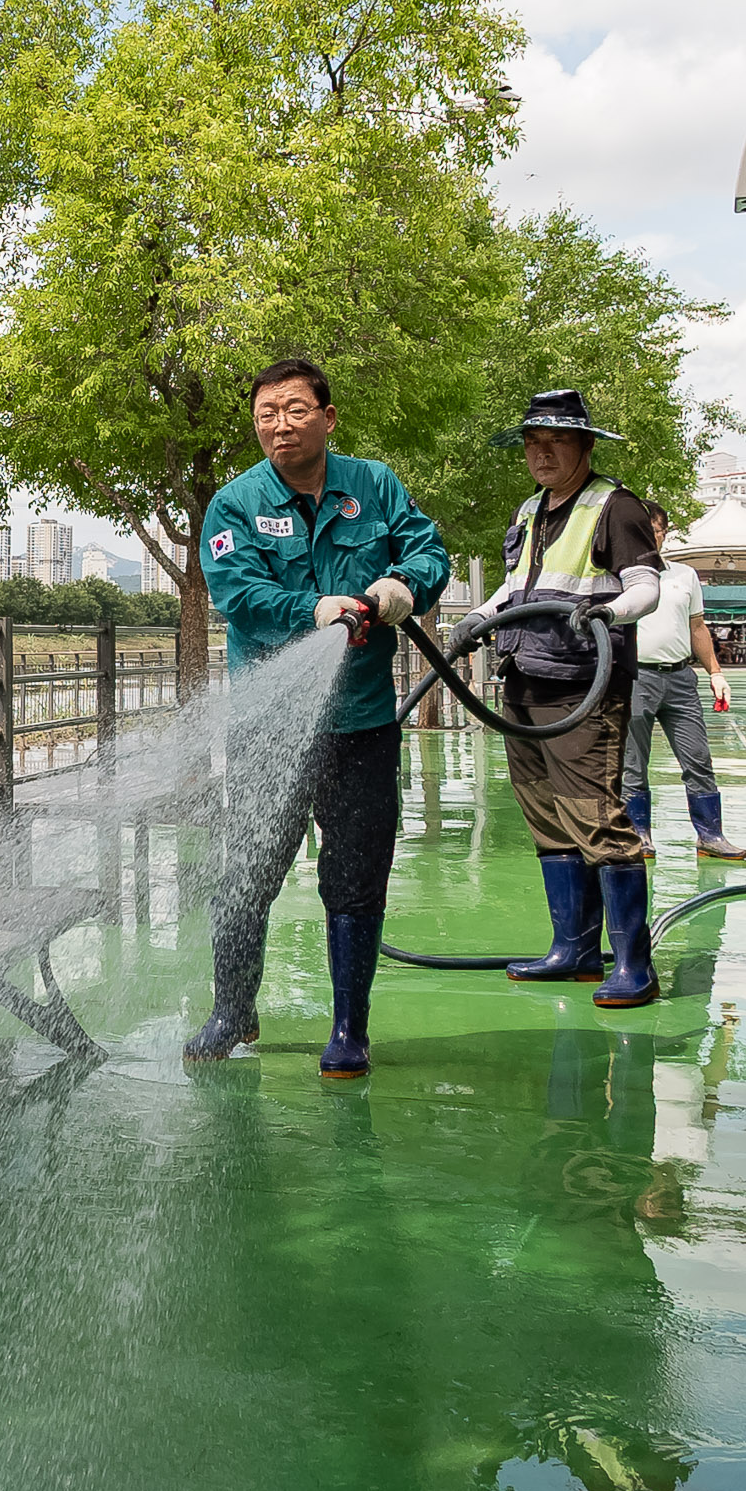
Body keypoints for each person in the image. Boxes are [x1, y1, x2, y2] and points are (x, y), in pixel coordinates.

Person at [191, 358, 450, 1073]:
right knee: (248, 872)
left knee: (356, 877)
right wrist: (314, 608)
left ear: (328, 418)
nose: (280, 424)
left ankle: (350, 1029)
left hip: (360, 722)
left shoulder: (375, 485)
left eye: (296, 409)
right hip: (270, 727)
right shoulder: (235, 503)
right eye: (267, 412)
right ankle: (232, 1010)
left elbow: (428, 549)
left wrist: (404, 584)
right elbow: (237, 591)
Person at [461, 390, 667, 1008]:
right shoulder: (530, 510)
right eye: (531, 440)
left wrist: (605, 611)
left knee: (594, 815)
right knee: (548, 818)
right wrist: (479, 615)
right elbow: (518, 584)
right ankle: (572, 950)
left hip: (582, 685)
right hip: (524, 679)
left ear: (584, 444)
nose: (540, 451)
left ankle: (634, 965)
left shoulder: (615, 506)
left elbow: (646, 589)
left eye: (555, 439)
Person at [623, 506, 746, 863]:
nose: (651, 536)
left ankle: (711, 835)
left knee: (698, 759)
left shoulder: (685, 575)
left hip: (680, 680)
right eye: (642, 530)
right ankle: (639, 835)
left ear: (665, 533)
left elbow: (697, 629)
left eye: (656, 529)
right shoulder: (619, 578)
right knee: (633, 763)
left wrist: (715, 672)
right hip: (636, 678)